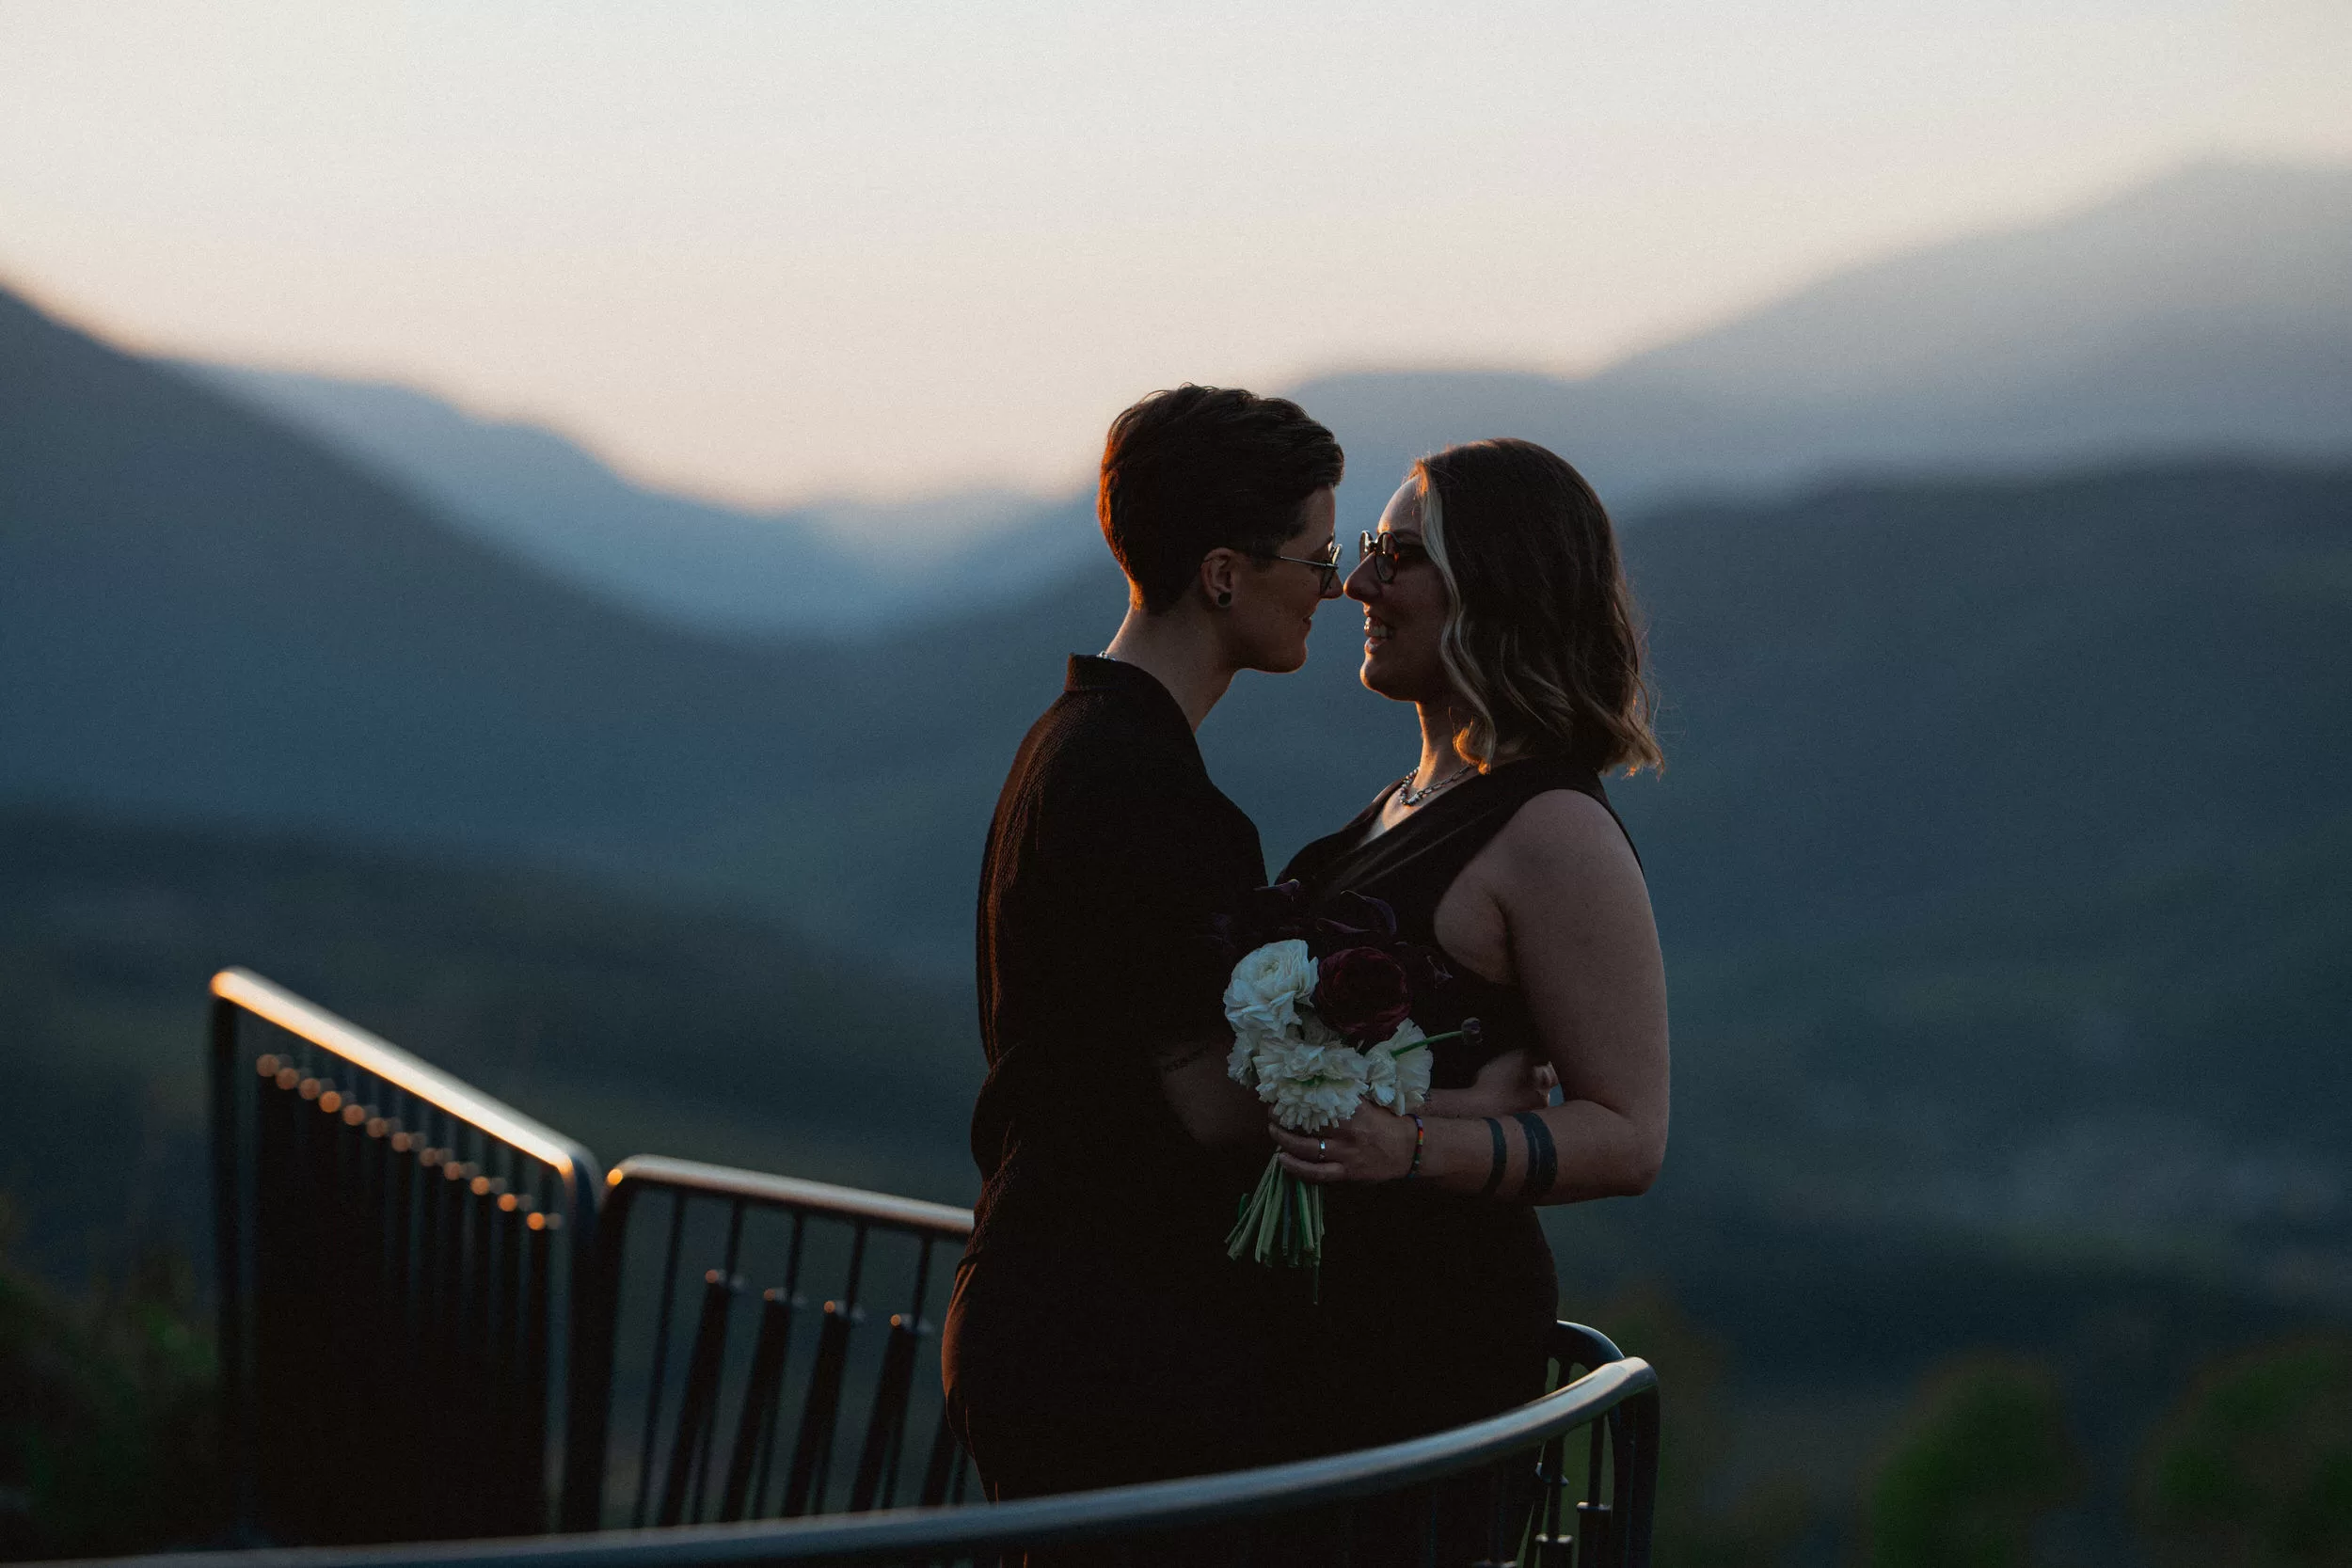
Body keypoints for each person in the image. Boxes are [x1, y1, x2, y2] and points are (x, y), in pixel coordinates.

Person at [942, 384, 1348, 1503]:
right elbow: (1214, 1102)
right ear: (1223, 573)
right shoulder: (1155, 795)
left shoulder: (1064, 741)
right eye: (1316, 556)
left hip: (1041, 1293)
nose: (1336, 584)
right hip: (1103, 1328)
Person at [1268, 438, 1671, 1504]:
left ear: (1494, 585)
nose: (1357, 582)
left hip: (1419, 1335)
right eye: (1367, 550)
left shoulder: (1553, 831)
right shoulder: (1405, 797)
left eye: (1397, 556)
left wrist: (1413, 1147)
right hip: (1302, 1325)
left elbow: (1629, 1133)